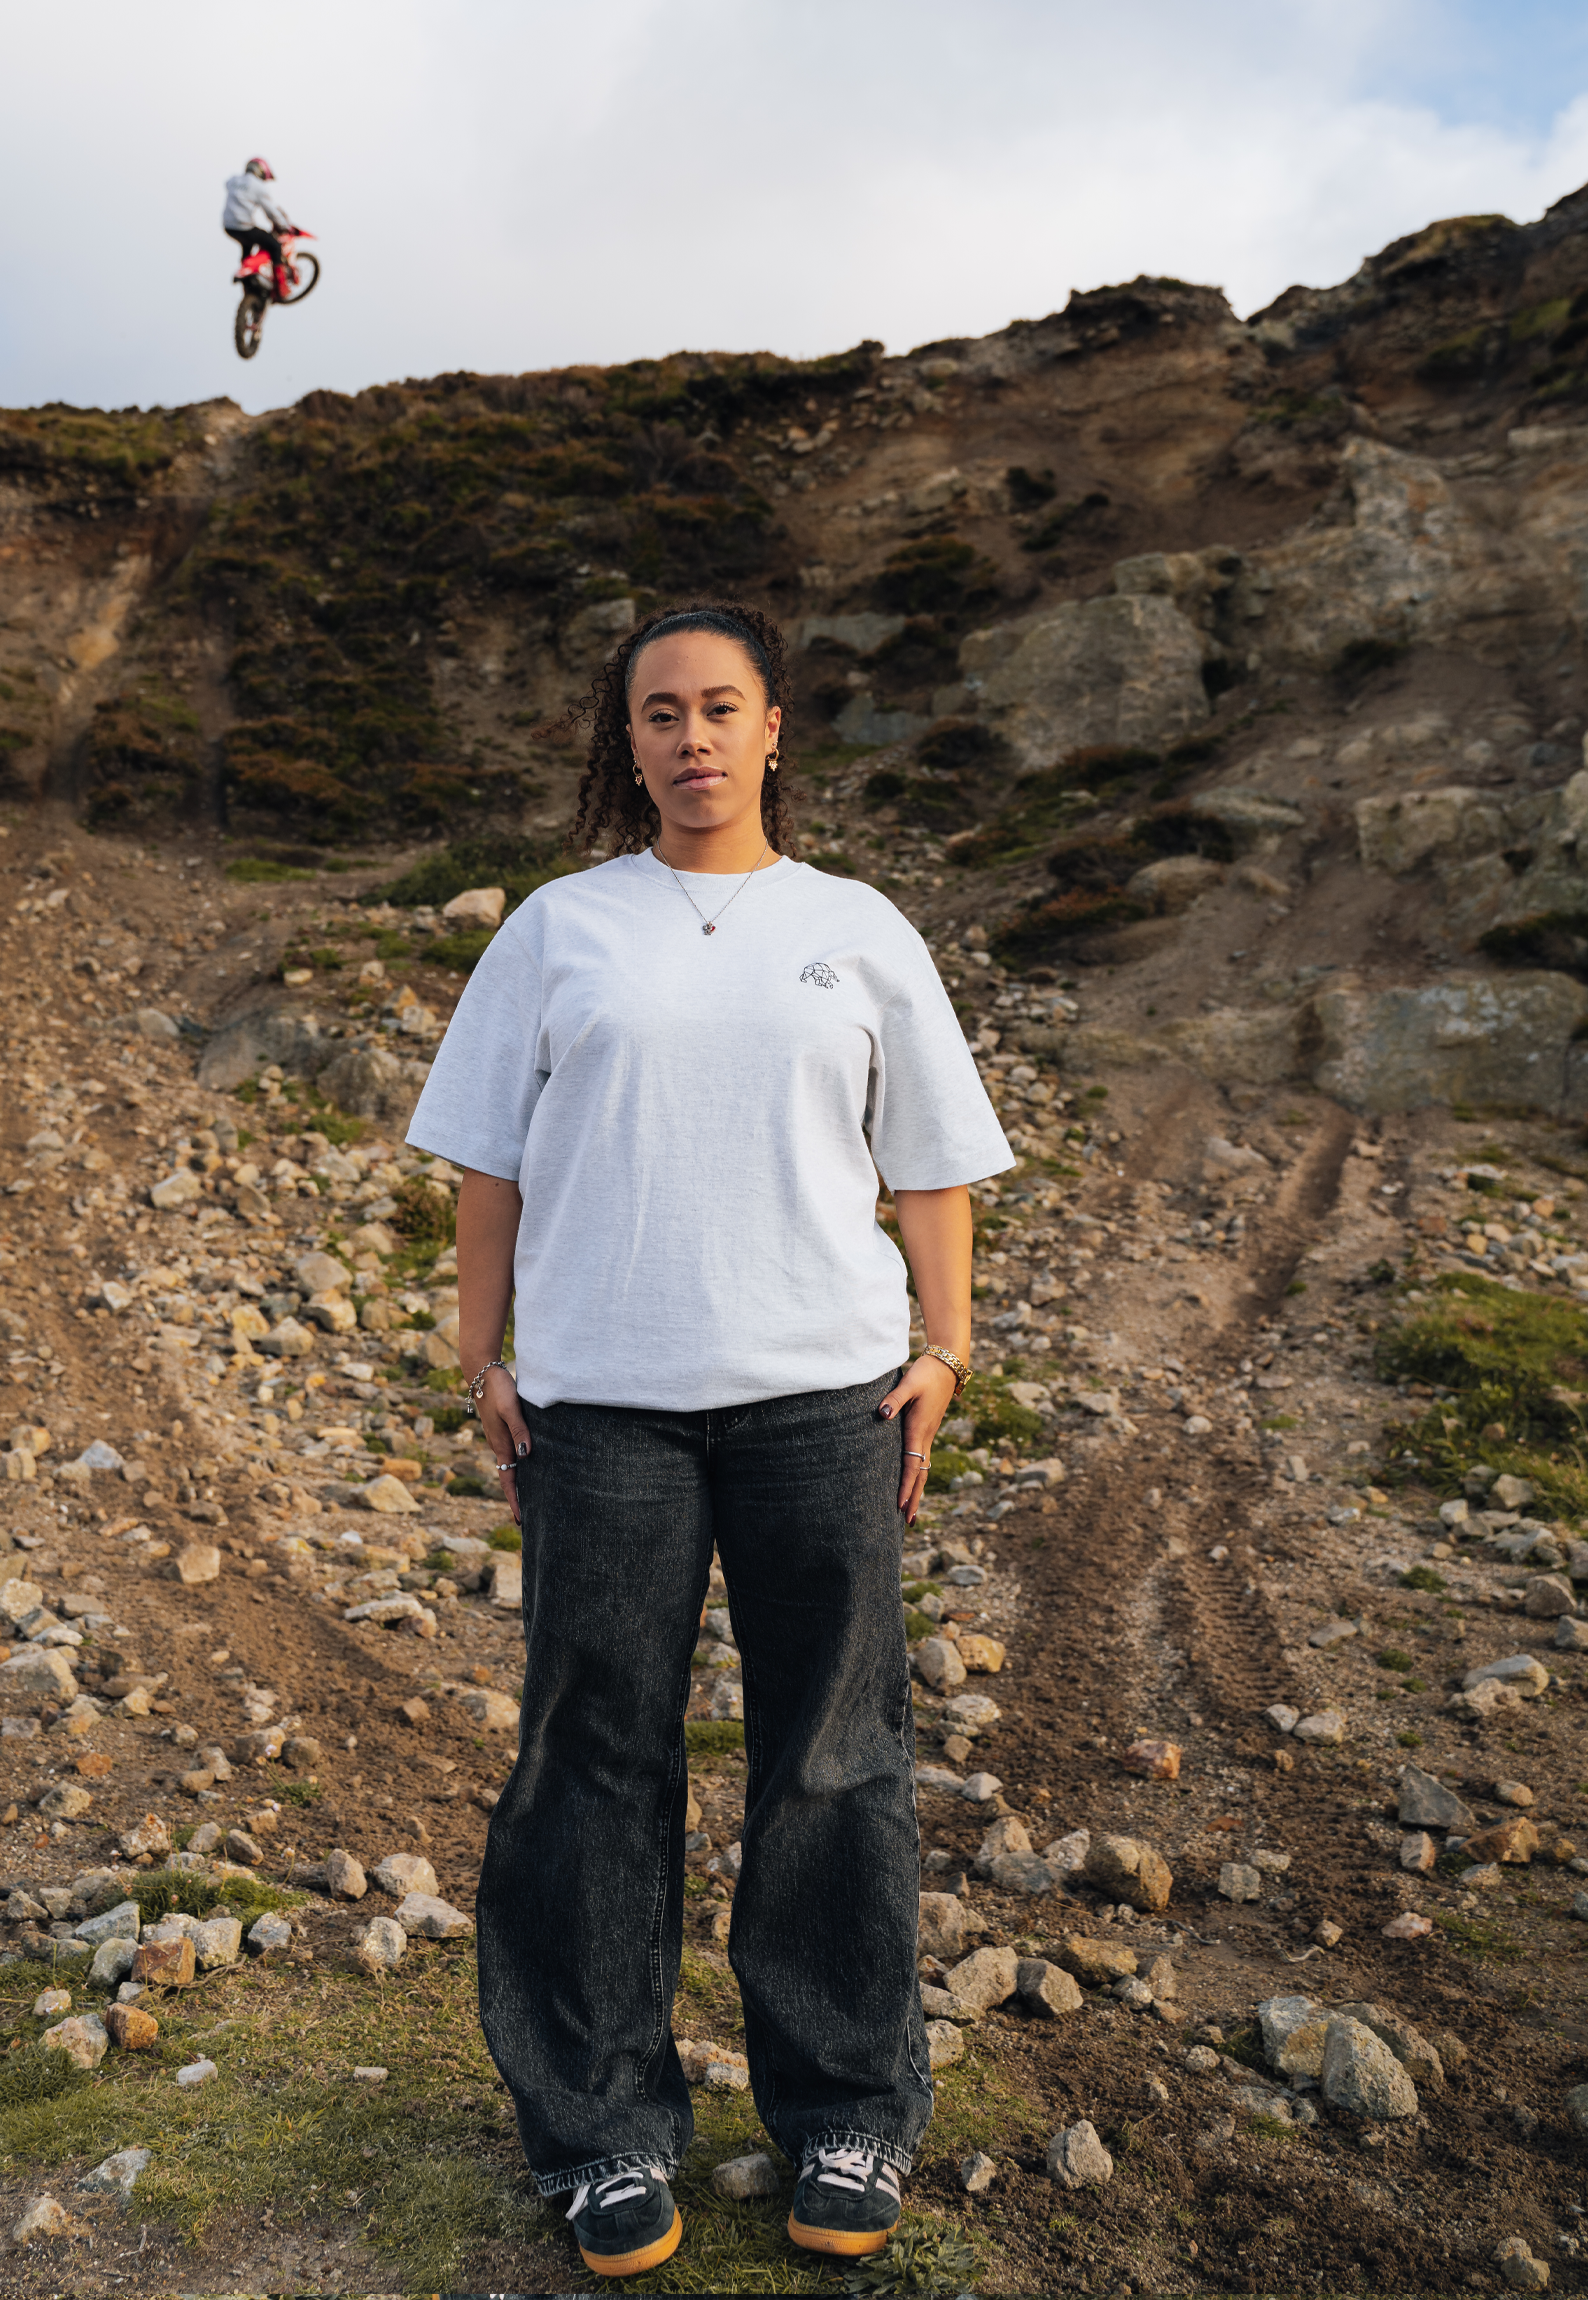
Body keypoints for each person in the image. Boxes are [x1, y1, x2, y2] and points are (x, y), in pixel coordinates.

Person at [405, 599, 1011, 2280]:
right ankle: (601, 2130)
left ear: (771, 729)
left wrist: (944, 1350)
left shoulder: (857, 927)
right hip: (602, 1412)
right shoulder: (558, 927)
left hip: (823, 1400)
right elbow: (487, 1164)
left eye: (720, 707)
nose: (691, 738)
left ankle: (844, 2110)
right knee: (591, 1767)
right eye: (659, 712)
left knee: (833, 1755)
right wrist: (482, 1357)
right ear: (631, 739)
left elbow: (933, 1159)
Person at [222, 157, 293, 297]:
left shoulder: (234, 181)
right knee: (275, 246)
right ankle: (281, 288)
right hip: (244, 226)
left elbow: (228, 184)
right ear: (260, 171)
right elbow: (271, 212)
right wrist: (284, 226)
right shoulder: (258, 187)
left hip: (229, 227)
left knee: (247, 247)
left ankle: (248, 285)